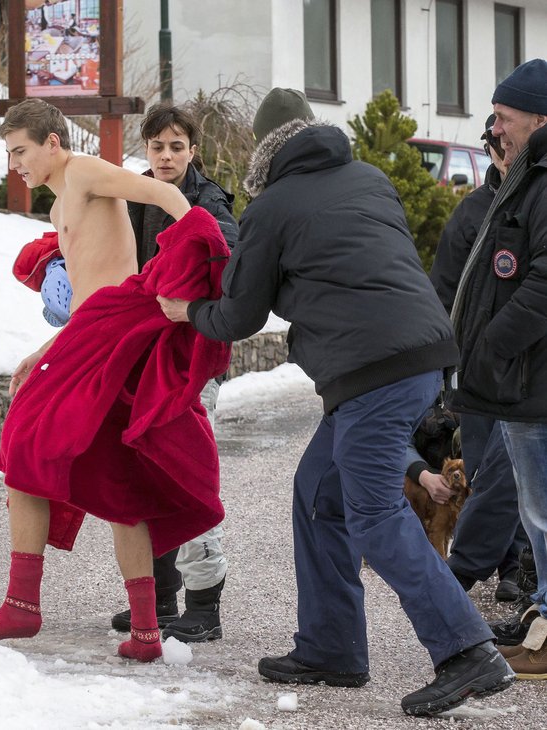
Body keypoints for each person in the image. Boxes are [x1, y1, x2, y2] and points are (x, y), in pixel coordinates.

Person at [158, 87, 514, 715]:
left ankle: (467, 651)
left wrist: (190, 311)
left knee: (373, 509)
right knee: (319, 495)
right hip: (416, 356)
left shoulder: (272, 205)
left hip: (370, 369)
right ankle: (331, 647)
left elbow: (240, 313)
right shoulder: (369, 177)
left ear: (265, 152)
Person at [0, 98, 232, 663]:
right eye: (10, 154)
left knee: (23, 448)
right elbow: (87, 293)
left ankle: (21, 607)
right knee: (120, 480)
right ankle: (148, 631)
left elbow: (159, 193)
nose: (15, 165)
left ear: (51, 143)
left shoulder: (80, 171)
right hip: (97, 330)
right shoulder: (63, 199)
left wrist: (195, 242)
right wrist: (45, 348)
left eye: (20, 151)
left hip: (113, 330)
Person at [108, 103, 239, 643]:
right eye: (157, 146)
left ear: (192, 150)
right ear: (146, 148)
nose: (166, 156)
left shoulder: (209, 202)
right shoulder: (135, 195)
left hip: (192, 360)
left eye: (176, 146)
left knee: (187, 473)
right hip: (143, 354)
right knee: (146, 471)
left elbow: (228, 255)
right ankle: (160, 597)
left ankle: (204, 604)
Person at [450, 59, 547, 680]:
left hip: (531, 382)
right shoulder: (525, 178)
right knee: (536, 516)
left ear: (539, 119)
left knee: (542, 513)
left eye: (505, 117)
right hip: (518, 384)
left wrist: (490, 345)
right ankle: (541, 618)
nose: (496, 127)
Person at [431, 115, 530, 604]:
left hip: (523, 366)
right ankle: (492, 563)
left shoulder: (535, 203)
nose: (502, 150)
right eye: (494, 142)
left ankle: (515, 568)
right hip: (477, 373)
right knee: (487, 469)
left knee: (517, 473)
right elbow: (446, 288)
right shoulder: (473, 211)